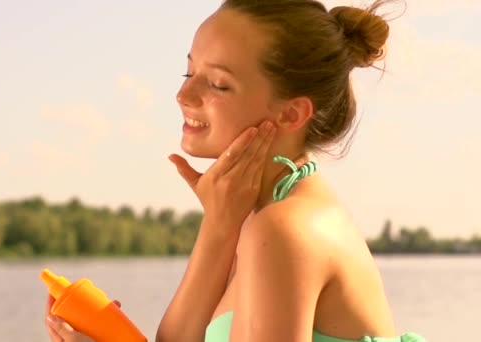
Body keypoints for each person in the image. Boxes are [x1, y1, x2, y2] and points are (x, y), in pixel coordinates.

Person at [45, 0, 427, 341]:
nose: (183, 95)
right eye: (187, 73)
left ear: (291, 113)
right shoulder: (260, 215)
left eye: (217, 83)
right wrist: (219, 225)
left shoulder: (285, 229)